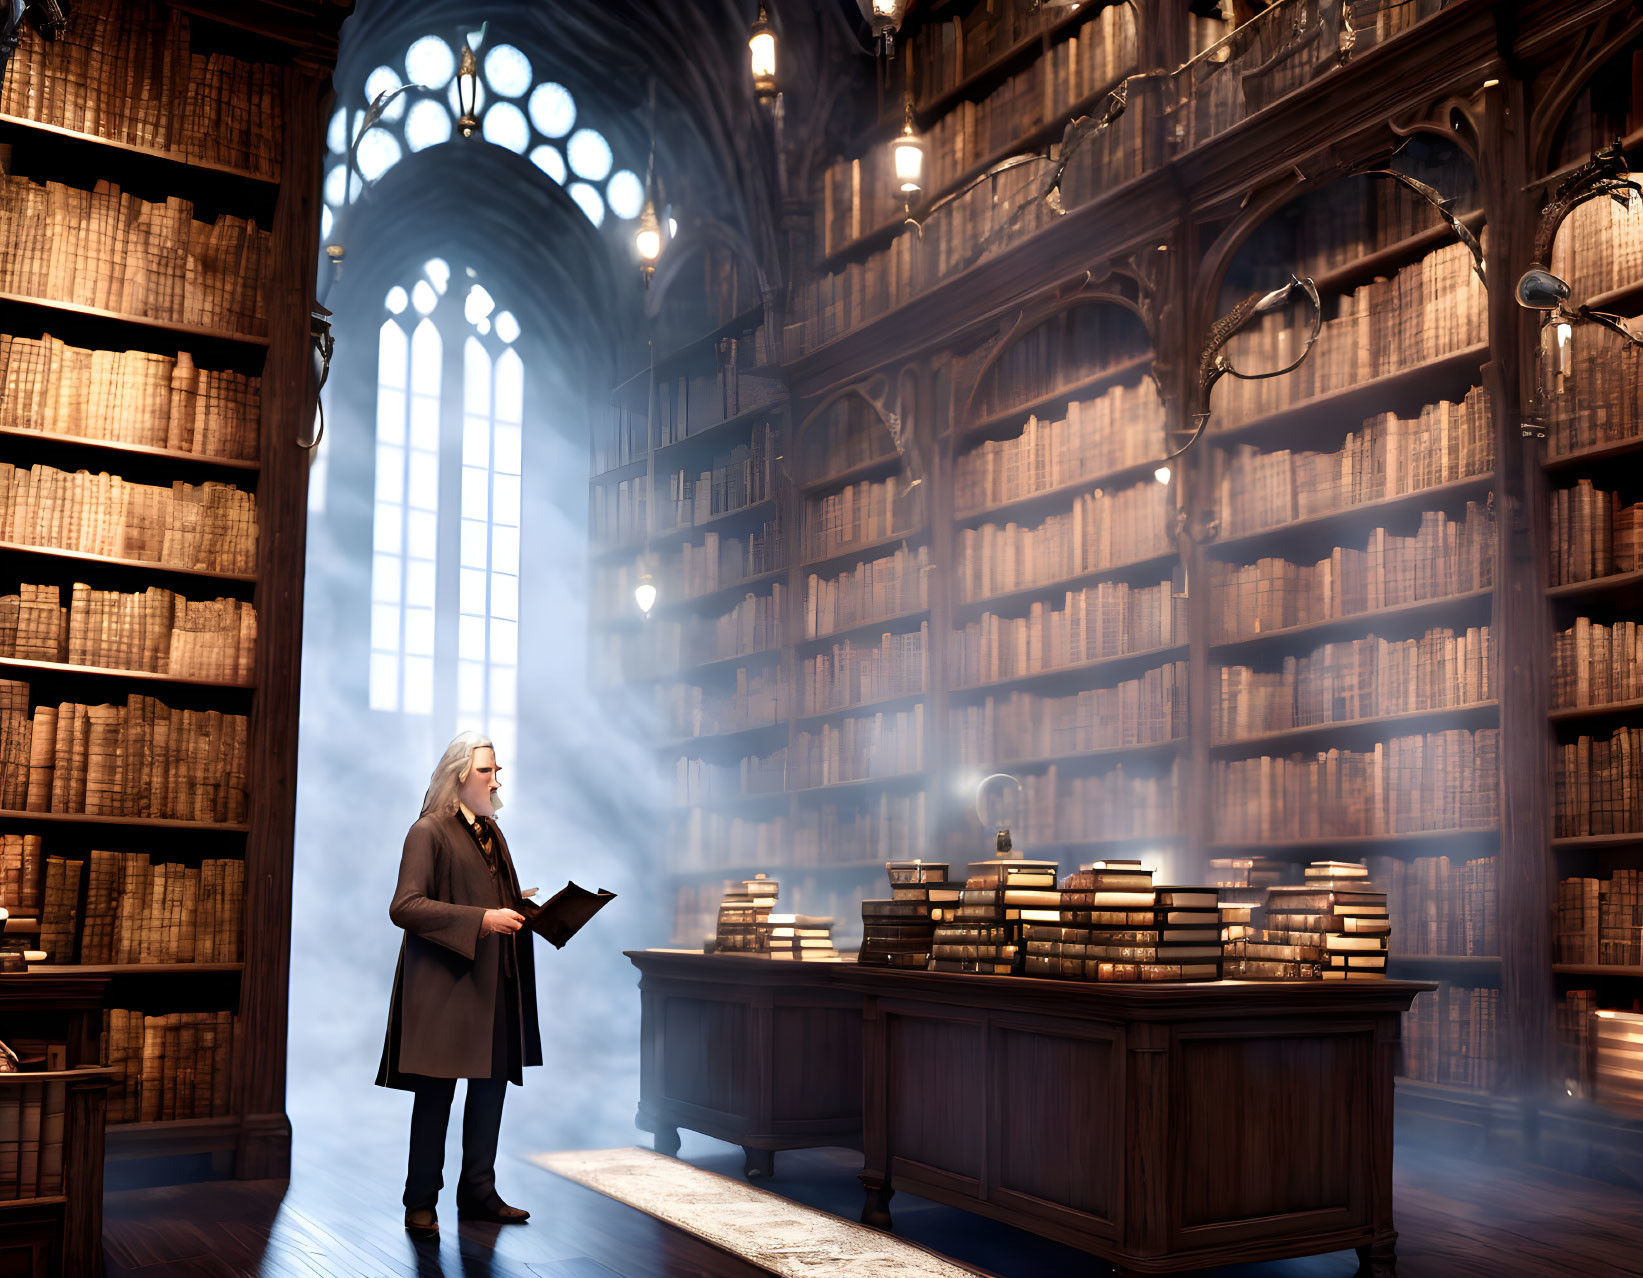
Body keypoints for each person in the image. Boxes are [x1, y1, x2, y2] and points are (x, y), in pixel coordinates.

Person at [376, 731, 543, 1235]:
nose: (496, 780)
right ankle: (420, 1202)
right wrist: (483, 919)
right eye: (487, 771)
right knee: (435, 1098)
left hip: (492, 985)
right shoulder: (427, 831)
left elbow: (484, 895)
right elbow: (404, 907)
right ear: (458, 777)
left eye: (496, 770)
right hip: (447, 989)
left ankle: (478, 1195)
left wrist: (517, 903)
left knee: (491, 1090)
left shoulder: (492, 830)